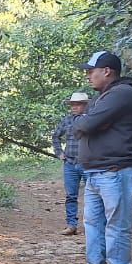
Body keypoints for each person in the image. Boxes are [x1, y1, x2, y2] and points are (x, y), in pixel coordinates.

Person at [67, 51, 132, 264]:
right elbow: (83, 124)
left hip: (115, 169)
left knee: (116, 223)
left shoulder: (121, 94)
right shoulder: (104, 97)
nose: (88, 76)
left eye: (91, 71)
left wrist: (87, 122)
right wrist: (87, 122)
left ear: (107, 70)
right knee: (93, 223)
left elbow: (85, 124)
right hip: (97, 171)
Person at [51, 92, 89, 236]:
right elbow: (56, 136)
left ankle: (93, 224)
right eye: (72, 104)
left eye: (77, 104)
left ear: (85, 105)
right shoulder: (67, 121)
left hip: (88, 163)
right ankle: (71, 224)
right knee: (71, 195)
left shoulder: (91, 120)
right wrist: (59, 153)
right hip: (71, 163)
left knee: (93, 195)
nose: (74, 107)